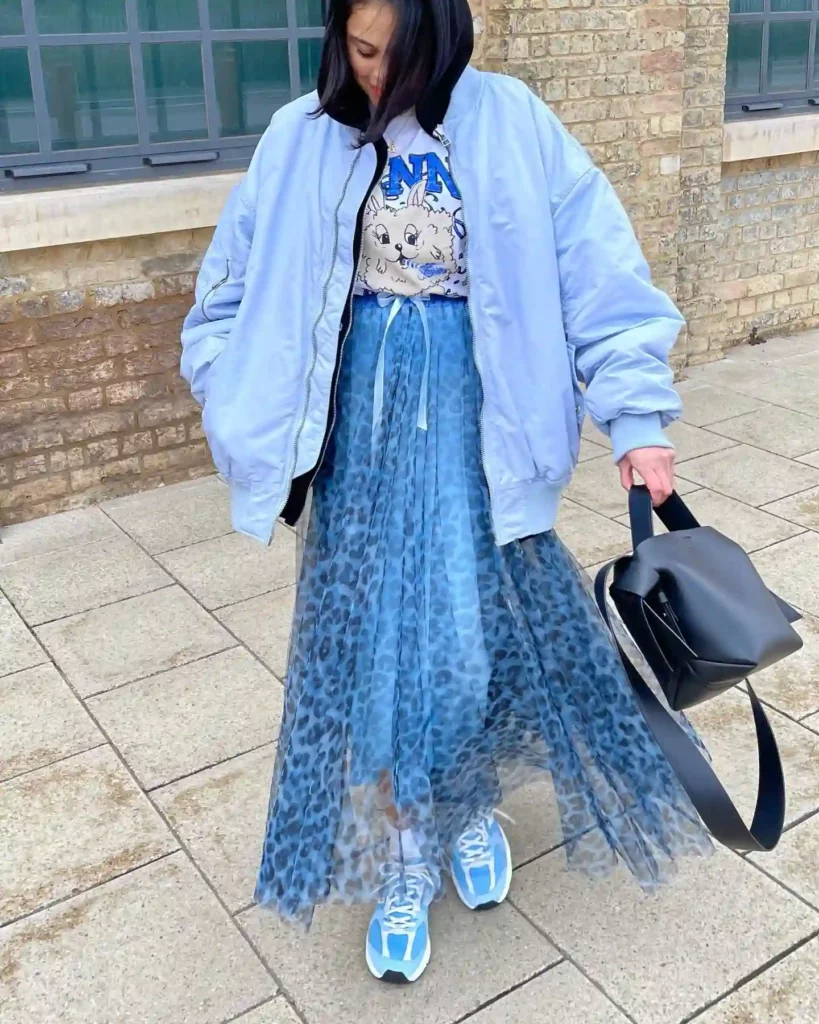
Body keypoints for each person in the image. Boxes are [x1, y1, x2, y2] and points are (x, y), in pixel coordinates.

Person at [180, 0, 711, 984]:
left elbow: (600, 276)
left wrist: (637, 422)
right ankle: (407, 844)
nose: (377, 76)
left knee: (465, 649)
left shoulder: (514, 124)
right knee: (377, 657)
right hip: (361, 447)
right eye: (361, 49)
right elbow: (222, 298)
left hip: (477, 436)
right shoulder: (302, 138)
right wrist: (240, 399)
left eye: (400, 56)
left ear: (448, 40)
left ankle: (464, 804)